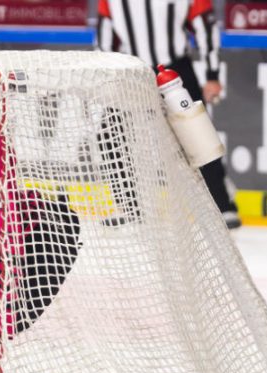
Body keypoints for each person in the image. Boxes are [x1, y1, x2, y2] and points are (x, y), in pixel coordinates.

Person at [96, 0, 241, 229]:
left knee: (197, 133)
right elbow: (105, 36)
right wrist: (105, 74)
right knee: (109, 132)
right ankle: (129, 205)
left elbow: (205, 27)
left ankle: (222, 203)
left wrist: (212, 74)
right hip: (130, 71)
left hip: (174, 69)